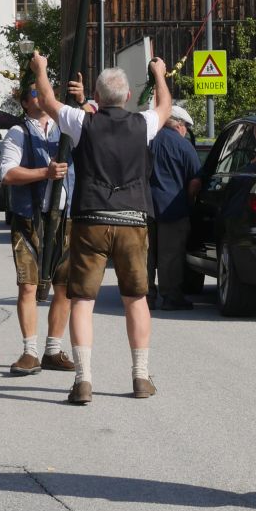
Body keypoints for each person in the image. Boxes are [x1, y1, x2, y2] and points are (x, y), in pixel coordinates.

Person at [32, 52, 171, 405]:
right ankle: (140, 377)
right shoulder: (142, 124)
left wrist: (41, 69)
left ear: (96, 94)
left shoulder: (82, 122)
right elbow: (166, 107)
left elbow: (47, 100)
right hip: (132, 219)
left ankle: (83, 380)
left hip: (91, 217)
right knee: (136, 298)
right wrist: (159, 76)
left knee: (83, 299)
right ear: (126, 97)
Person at [0, 84, 75, 377]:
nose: (40, 96)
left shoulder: (65, 126)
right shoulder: (19, 132)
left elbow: (96, 121)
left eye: (43, 92)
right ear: (24, 103)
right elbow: (7, 173)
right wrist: (45, 172)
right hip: (30, 217)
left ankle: (53, 350)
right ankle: (30, 351)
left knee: (64, 287)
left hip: (64, 218)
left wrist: (83, 100)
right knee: (28, 286)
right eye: (34, 94)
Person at [147, 104, 202, 310]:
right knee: (171, 256)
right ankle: (170, 297)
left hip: (145, 207)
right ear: (178, 125)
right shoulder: (184, 146)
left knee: (146, 255)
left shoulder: (147, 141)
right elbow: (195, 182)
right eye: (185, 126)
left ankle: (145, 297)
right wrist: (189, 199)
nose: (186, 131)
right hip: (174, 209)